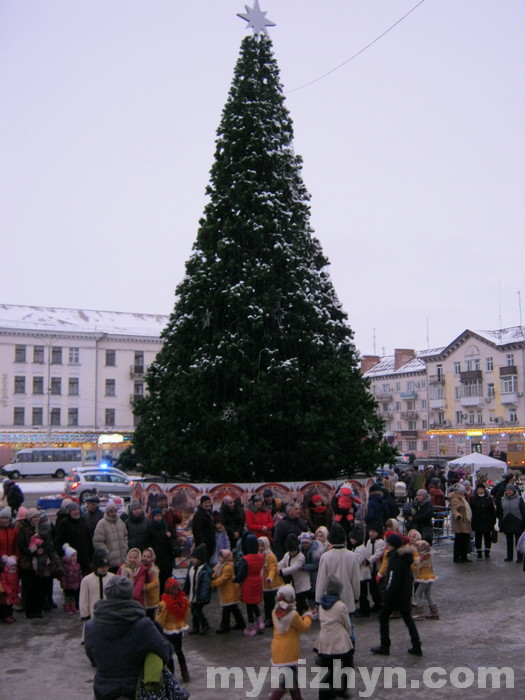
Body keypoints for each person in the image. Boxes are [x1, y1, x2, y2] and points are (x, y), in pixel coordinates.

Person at [84, 575, 172, 700]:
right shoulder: (144, 625)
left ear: (107, 594)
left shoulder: (90, 626)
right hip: (136, 689)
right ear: (130, 594)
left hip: (103, 690)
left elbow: (92, 659)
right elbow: (165, 652)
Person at [370, 533, 422, 657]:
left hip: (395, 596)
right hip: (404, 595)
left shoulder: (395, 559)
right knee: (408, 619)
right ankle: (416, 645)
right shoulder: (405, 557)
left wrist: (387, 596)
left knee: (383, 617)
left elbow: (393, 580)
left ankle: (385, 645)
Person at [315, 524, 360, 645]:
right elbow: (355, 579)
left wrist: (318, 599)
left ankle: (333, 652)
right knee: (349, 626)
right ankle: (350, 649)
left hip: (330, 600)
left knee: (332, 629)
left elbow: (321, 580)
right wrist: (357, 596)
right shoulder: (352, 556)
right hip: (347, 597)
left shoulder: (325, 557)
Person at [268, 584, 313, 700]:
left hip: (278, 651)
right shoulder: (293, 614)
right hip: (289, 652)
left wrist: (301, 618)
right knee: (286, 683)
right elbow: (304, 627)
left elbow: (289, 623)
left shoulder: (275, 611)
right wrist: (308, 616)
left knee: (292, 680)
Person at [315, 574, 354, 700]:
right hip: (339, 641)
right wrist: (349, 635)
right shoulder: (340, 606)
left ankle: (325, 694)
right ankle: (340, 689)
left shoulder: (321, 605)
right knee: (346, 664)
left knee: (326, 668)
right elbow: (347, 624)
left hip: (324, 640)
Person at [155, 577, 191, 682]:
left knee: (169, 653)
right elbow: (186, 614)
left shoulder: (164, 604)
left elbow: (159, 619)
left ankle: (171, 676)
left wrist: (157, 629)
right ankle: (185, 673)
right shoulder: (184, 600)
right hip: (179, 629)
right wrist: (182, 623)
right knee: (179, 651)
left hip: (167, 630)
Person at [234, 531, 264, 636]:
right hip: (258, 580)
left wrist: (236, 580)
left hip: (248, 583)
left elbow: (242, 573)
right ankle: (260, 622)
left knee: (249, 605)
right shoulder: (261, 556)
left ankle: (252, 626)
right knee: (255, 603)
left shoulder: (245, 559)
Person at [144, 507, 179, 594]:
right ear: (153, 517)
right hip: (157, 558)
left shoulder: (166, 526)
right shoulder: (149, 528)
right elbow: (147, 542)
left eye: (160, 515)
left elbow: (174, 538)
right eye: (156, 516)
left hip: (167, 557)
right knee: (158, 579)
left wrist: (170, 536)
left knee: (167, 578)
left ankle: (167, 596)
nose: (159, 517)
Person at [17, 508, 45, 619]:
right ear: (29, 518)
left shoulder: (42, 529)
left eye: (38, 517)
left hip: (39, 562)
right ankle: (30, 611)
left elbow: (48, 542)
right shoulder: (23, 530)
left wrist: (43, 550)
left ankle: (38, 609)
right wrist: (31, 551)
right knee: (29, 588)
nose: (36, 519)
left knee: (38, 587)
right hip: (27, 563)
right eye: (34, 517)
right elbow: (21, 546)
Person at [211, 548, 246, 633]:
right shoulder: (223, 565)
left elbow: (223, 578)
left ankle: (225, 626)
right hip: (229, 591)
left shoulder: (228, 567)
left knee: (227, 609)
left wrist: (213, 583)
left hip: (230, 591)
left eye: (221, 557)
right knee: (233, 608)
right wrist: (213, 577)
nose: (219, 559)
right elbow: (216, 573)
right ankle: (240, 623)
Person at [79, 547, 116, 626]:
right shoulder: (87, 580)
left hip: (109, 616)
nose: (105, 569)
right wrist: (85, 614)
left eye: (106, 566)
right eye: (102, 567)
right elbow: (83, 599)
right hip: (93, 617)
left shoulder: (112, 578)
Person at [55, 501, 92, 575]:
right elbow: (58, 541)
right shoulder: (64, 523)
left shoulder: (83, 520)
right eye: (73, 510)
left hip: (84, 557)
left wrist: (91, 553)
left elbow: (88, 538)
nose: (76, 512)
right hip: (71, 559)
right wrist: (63, 555)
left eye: (77, 509)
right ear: (69, 512)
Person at [278, 534, 310, 616]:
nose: (292, 553)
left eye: (294, 551)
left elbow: (293, 568)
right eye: (290, 551)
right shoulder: (287, 555)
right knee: (298, 602)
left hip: (302, 585)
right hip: (294, 584)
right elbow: (282, 563)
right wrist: (277, 568)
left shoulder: (301, 557)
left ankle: (300, 617)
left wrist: (281, 572)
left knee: (299, 604)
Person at [184, 542, 212, 635]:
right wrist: (185, 590)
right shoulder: (192, 568)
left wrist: (203, 596)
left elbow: (205, 584)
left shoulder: (204, 570)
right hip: (193, 594)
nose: (192, 560)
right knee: (193, 611)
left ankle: (205, 625)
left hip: (199, 596)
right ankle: (196, 627)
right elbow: (188, 581)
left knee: (197, 611)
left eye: (194, 558)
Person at [92, 501, 129, 573]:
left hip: (123, 561)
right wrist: (107, 553)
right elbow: (98, 542)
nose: (114, 513)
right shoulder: (101, 524)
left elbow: (125, 536)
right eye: (111, 512)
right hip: (110, 563)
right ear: (107, 512)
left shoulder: (120, 522)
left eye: (115, 511)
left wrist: (125, 547)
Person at [258, 535, 284, 627]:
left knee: (272, 602)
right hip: (265, 585)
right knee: (267, 603)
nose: (260, 548)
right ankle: (268, 617)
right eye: (259, 546)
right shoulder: (259, 555)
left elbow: (273, 568)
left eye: (262, 546)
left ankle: (273, 618)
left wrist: (270, 577)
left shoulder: (270, 556)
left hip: (273, 584)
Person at [411, 540, 438, 620]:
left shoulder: (422, 558)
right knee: (428, 594)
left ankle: (420, 613)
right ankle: (434, 612)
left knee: (417, 595)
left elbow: (415, 566)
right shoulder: (428, 555)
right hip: (430, 577)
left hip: (424, 578)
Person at [498, 483, 525, 562]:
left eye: (510, 490)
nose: (508, 492)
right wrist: (501, 522)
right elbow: (501, 512)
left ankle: (519, 557)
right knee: (509, 541)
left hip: (517, 521)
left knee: (518, 541)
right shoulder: (502, 499)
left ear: (513, 491)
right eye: (507, 490)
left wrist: (524, 522)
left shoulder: (519, 499)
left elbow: (523, 511)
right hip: (507, 521)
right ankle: (509, 557)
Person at [470, 483, 497, 559]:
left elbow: (493, 511)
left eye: (482, 489)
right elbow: (470, 510)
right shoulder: (473, 499)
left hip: (487, 522)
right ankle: (479, 553)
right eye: (479, 489)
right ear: (477, 490)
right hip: (477, 522)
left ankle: (487, 552)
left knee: (487, 537)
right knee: (478, 538)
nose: (480, 491)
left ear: (484, 490)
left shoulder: (488, 499)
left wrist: (493, 521)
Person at [449, 484, 473, 563]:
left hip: (464, 522)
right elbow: (454, 510)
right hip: (459, 523)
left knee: (464, 540)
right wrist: (457, 515)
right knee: (459, 541)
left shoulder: (461, 499)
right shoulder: (455, 500)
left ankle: (464, 556)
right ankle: (457, 557)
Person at [191, 495, 215, 564]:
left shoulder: (210, 513)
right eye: (205, 502)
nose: (207, 504)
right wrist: (202, 543)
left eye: (209, 502)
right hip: (203, 544)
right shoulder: (198, 515)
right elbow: (197, 531)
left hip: (211, 543)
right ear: (201, 504)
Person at [60, 543, 83, 613]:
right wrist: (63, 584)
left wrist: (81, 580)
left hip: (75, 584)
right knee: (68, 597)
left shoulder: (77, 565)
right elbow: (63, 576)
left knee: (73, 597)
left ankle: (73, 607)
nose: (74, 558)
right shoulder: (65, 566)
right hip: (68, 585)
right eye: (72, 556)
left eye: (75, 556)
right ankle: (67, 607)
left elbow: (79, 574)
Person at [141, 547, 160, 620]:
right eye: (144, 556)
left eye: (148, 557)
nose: (145, 558)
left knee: (151, 617)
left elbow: (155, 583)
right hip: (143, 600)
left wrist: (144, 587)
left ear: (152, 559)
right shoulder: (140, 568)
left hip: (151, 600)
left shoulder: (153, 570)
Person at [0, 554, 19, 623]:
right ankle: (6, 616)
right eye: (12, 566)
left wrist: (17, 589)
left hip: (13, 592)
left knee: (11, 605)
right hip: (7, 593)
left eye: (15, 565)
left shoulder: (15, 573)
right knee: (6, 605)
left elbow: (16, 582)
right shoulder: (4, 574)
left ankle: (10, 615)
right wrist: (8, 590)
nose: (14, 567)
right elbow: (4, 583)